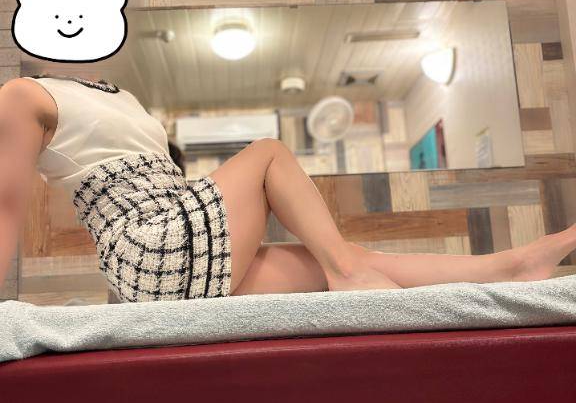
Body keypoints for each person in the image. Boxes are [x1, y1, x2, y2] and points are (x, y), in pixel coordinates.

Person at [1, 73, 575, 303]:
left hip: (168, 247)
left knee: (349, 258)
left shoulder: (120, 94)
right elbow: (6, 203)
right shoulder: (21, 94)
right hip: (150, 247)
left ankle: (513, 266)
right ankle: (347, 273)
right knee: (268, 153)